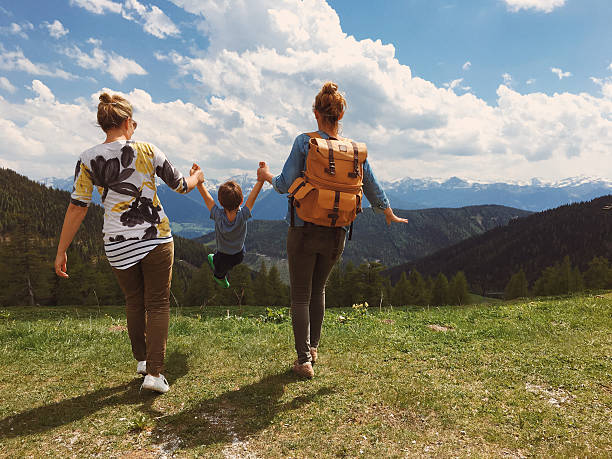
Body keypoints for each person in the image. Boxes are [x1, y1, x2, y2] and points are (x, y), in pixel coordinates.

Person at [54, 92, 203, 394]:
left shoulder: (88, 158)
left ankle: (142, 360)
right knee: (158, 303)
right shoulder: (148, 149)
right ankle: (155, 373)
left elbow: (77, 206)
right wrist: (197, 177)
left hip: (117, 242)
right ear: (125, 121)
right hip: (155, 237)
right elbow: (179, 186)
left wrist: (61, 250)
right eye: (133, 122)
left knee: (134, 301)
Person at [257, 82, 408, 378]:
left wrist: (266, 177)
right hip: (338, 231)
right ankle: (313, 348)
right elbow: (372, 186)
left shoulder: (305, 142)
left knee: (300, 294)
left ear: (316, 113)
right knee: (319, 289)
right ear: (340, 116)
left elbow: (285, 184)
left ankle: (303, 361)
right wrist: (387, 212)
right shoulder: (354, 151)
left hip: (303, 229)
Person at [190, 163, 265, 287]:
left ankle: (219, 275)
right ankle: (214, 260)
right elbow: (253, 196)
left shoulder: (218, 216)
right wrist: (261, 179)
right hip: (239, 254)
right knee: (231, 259)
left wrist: (199, 181)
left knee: (219, 271)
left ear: (219, 202)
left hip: (222, 254)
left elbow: (207, 198)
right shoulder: (243, 215)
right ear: (241, 201)